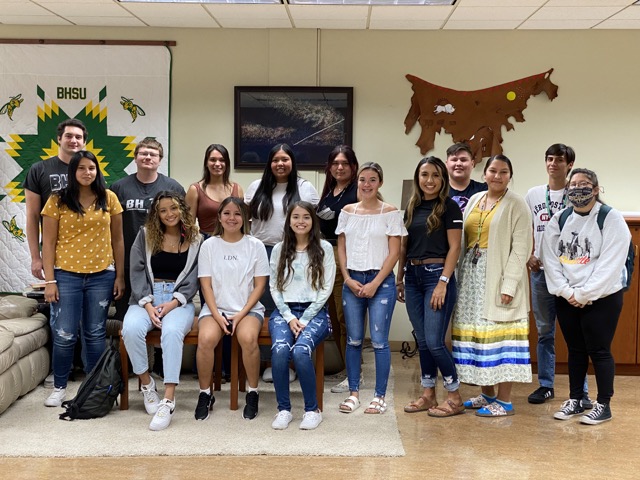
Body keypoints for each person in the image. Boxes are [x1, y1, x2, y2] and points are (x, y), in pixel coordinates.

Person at [542, 168, 630, 425]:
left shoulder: (610, 218)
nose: (578, 189)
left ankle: (603, 404)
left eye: (585, 185)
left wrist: (584, 294)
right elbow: (550, 258)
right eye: (573, 184)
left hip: (602, 297)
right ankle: (577, 399)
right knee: (575, 350)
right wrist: (568, 292)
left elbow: (611, 263)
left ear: (595, 189)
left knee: (599, 350)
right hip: (567, 296)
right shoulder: (559, 219)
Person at [41, 151, 124, 407]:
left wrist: (120, 275)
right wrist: (50, 281)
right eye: (81, 168)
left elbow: (118, 240)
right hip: (66, 276)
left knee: (95, 333)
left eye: (92, 168)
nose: (87, 173)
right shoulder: (57, 200)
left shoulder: (108, 198)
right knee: (65, 333)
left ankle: (95, 385)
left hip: (102, 275)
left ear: (97, 171)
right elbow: (49, 243)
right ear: (72, 172)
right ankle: (59, 386)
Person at [451, 154, 533, 417]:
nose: (497, 176)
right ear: (484, 173)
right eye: (493, 171)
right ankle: (487, 394)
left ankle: (505, 401)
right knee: (479, 337)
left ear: (510, 176)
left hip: (499, 277)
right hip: (472, 278)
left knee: (501, 338)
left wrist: (509, 285)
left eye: (504, 172)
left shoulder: (517, 204)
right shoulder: (475, 199)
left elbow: (521, 249)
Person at [121, 191, 203, 431]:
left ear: (182, 210)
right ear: (156, 214)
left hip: (179, 301)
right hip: (145, 297)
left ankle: (168, 399)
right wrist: (147, 303)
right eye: (163, 210)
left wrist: (173, 303)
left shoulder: (198, 239)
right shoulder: (145, 235)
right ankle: (147, 384)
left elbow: (195, 277)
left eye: (174, 208)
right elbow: (135, 270)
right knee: (131, 328)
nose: (169, 214)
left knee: (171, 332)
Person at [244, 143, 319, 382]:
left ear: (292, 162)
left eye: (285, 159)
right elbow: (246, 221)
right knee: (264, 305)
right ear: (270, 163)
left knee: (292, 304)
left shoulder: (304, 188)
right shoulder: (256, 187)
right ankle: (268, 360)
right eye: (276, 159)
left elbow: (309, 220)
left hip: (294, 251)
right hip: (260, 251)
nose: (280, 164)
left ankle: (291, 362)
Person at [336, 162, 407, 415]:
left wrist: (376, 283)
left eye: (372, 179)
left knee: (378, 341)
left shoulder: (390, 213)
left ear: (380, 183)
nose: (367, 184)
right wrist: (346, 277)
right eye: (363, 179)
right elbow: (341, 247)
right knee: (354, 339)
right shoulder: (347, 211)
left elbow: (395, 252)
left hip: (381, 281)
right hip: (352, 280)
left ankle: (379, 396)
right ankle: (353, 393)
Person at [396, 157, 464, 417]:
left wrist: (443, 283)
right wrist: (400, 277)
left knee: (435, 342)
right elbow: (404, 245)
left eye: (435, 175)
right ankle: (428, 394)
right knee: (423, 341)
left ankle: (455, 397)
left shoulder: (449, 207)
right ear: (418, 178)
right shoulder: (411, 206)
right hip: (412, 277)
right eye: (425, 175)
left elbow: (455, 247)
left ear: (442, 179)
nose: (430, 180)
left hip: (437, 276)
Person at [525, 144, 591, 407]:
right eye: (549, 159)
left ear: (570, 164)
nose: (553, 164)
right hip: (541, 273)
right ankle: (546, 385)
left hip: (570, 274)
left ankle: (581, 391)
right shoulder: (532, 194)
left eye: (559, 160)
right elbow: (526, 228)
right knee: (544, 332)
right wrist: (529, 252)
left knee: (576, 333)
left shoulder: (578, 195)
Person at [196, 197, 269, 421]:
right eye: (227, 213)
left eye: (237, 213)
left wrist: (241, 313)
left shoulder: (255, 245)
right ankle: (205, 393)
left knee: (248, 338)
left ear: (245, 218)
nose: (232, 218)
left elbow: (260, 285)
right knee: (206, 339)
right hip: (215, 309)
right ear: (219, 217)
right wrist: (217, 315)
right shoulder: (209, 245)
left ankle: (253, 392)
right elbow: (205, 284)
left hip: (248, 309)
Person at [269, 201, 336, 430]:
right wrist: (289, 317)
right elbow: (274, 287)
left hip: (315, 311)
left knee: (300, 351)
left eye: (306, 217)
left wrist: (305, 318)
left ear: (313, 221)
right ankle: (284, 409)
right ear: (289, 221)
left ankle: (312, 410)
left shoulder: (324, 248)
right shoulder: (279, 250)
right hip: (284, 311)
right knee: (279, 351)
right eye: (296, 217)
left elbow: (326, 288)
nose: (300, 221)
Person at [110, 137, 185, 322]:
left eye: (153, 154)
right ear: (135, 158)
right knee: (127, 317)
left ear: (160, 160)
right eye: (143, 153)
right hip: (128, 262)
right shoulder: (118, 188)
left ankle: (160, 352)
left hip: (163, 264)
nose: (148, 157)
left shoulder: (173, 187)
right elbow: (110, 229)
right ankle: (125, 351)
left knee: (163, 317)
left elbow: (184, 224)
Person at [316, 145, 359, 394]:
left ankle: (354, 372)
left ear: (353, 166)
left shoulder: (357, 190)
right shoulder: (330, 191)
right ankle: (347, 366)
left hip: (348, 256)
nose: (339, 167)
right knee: (334, 315)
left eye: (344, 163)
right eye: (335, 163)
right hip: (326, 256)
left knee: (347, 316)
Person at [24, 119, 87, 280]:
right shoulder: (39, 169)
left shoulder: (91, 171)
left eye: (78, 137)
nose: (74, 140)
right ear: (59, 139)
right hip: (54, 252)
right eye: (69, 136)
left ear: (84, 142)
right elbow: (32, 216)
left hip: (88, 250)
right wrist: (35, 257)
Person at [185, 143, 244, 235]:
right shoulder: (195, 190)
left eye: (222, 160)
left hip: (233, 240)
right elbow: (188, 225)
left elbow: (242, 221)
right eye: (212, 160)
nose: (217, 164)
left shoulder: (237, 189)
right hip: (207, 241)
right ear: (206, 163)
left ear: (227, 164)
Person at [445, 142, 487, 213]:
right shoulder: (438, 190)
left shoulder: (484, 190)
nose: (458, 164)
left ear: (472, 164)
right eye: (454, 160)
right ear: (446, 164)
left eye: (463, 160)